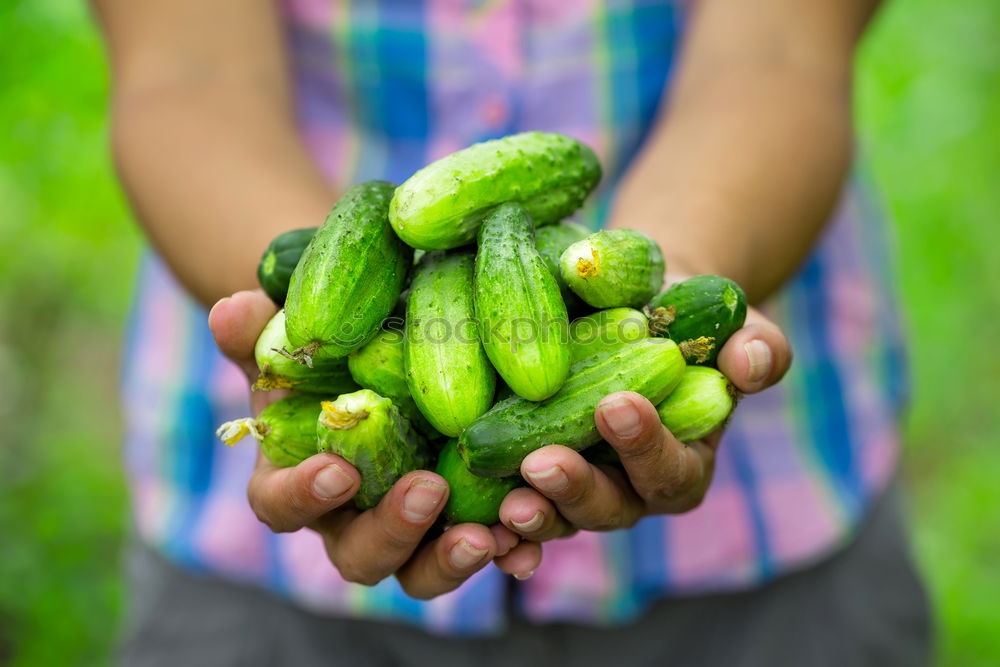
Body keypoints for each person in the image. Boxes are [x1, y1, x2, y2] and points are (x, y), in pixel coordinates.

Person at [93, 0, 931, 664]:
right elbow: (184, 71)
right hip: (260, 583)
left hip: (766, 540)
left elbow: (779, 51)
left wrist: (690, 261)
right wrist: (317, 318)